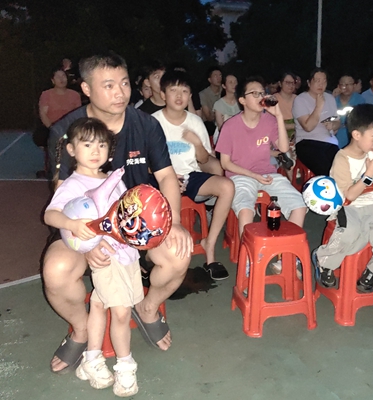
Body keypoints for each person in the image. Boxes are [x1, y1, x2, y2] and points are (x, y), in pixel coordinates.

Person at [45, 52, 192, 375]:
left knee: (179, 254)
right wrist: (88, 242)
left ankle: (148, 307)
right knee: (56, 272)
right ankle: (81, 329)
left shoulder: (146, 125)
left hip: (138, 225)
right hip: (84, 226)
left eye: (124, 83)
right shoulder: (66, 131)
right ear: (86, 88)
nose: (120, 93)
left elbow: (167, 177)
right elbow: (63, 198)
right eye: (108, 85)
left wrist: (175, 223)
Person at [45, 118, 141, 396]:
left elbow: (124, 214)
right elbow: (51, 214)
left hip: (126, 253)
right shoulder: (73, 184)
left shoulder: (113, 179)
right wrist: (72, 225)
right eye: (87, 145)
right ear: (72, 149)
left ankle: (92, 359)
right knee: (121, 313)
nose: (95, 151)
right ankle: (125, 366)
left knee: (99, 303)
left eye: (101, 145)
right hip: (107, 257)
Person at [312, 103, 373, 293]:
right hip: (348, 206)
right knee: (351, 232)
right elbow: (350, 195)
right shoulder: (342, 158)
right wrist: (368, 174)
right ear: (356, 135)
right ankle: (324, 261)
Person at [153, 69, 234, 280]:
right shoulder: (153, 123)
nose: (179, 96)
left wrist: (197, 143)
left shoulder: (195, 122)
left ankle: (210, 246)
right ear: (163, 95)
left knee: (227, 186)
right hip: (161, 179)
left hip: (190, 175)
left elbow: (205, 160)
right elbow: (146, 163)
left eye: (184, 91)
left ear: (190, 96)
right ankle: (158, 257)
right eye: (173, 90)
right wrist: (169, 180)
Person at [216, 76, 306, 241]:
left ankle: (283, 252)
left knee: (299, 206)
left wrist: (278, 116)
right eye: (254, 93)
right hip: (240, 176)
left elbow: (283, 148)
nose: (261, 97)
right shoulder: (230, 126)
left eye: (262, 93)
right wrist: (254, 175)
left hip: (268, 174)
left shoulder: (269, 121)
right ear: (242, 100)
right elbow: (225, 163)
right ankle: (248, 254)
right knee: (246, 211)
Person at [292, 68, 341, 176]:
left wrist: (333, 125)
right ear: (309, 83)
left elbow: (337, 121)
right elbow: (308, 127)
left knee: (342, 169)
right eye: (317, 81)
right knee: (326, 170)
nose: (321, 84)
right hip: (307, 142)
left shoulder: (330, 98)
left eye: (324, 81)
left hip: (330, 143)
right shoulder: (300, 100)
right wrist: (319, 106)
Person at [335, 74, 366, 148]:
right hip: (335, 137)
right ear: (338, 86)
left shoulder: (360, 100)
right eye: (343, 84)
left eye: (349, 84)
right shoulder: (333, 99)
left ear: (354, 86)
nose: (346, 87)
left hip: (353, 137)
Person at [199, 66, 223, 137]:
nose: (219, 78)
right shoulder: (203, 94)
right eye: (215, 76)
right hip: (210, 124)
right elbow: (208, 117)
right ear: (209, 79)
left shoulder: (225, 90)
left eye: (220, 75)